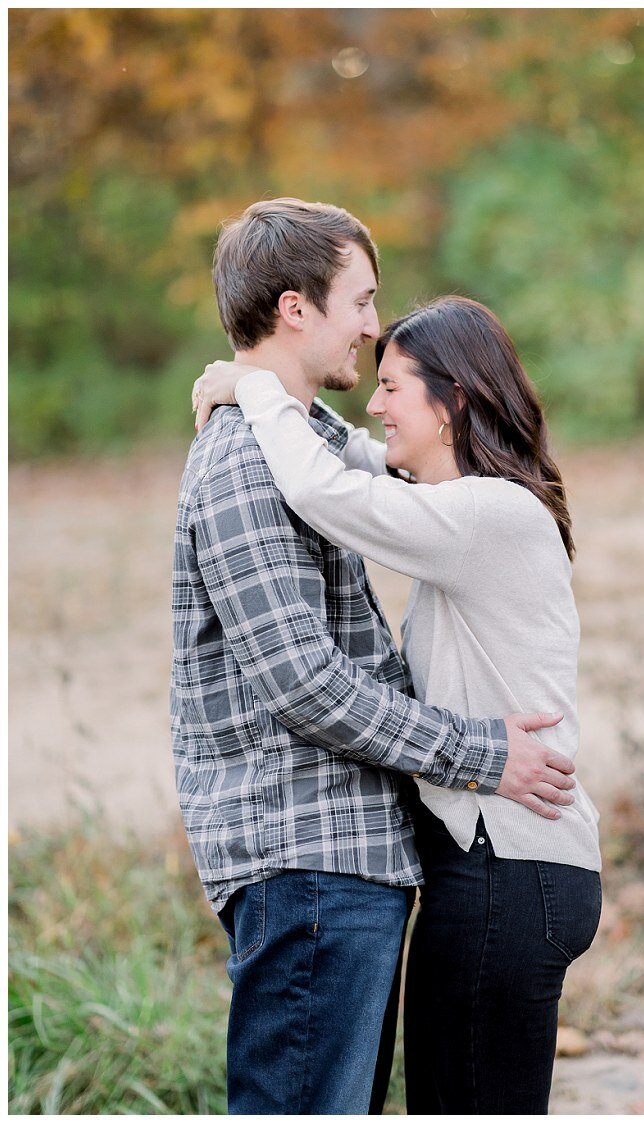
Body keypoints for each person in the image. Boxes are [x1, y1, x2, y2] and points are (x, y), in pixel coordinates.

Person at [173, 198, 577, 1115]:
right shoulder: (246, 459)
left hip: (366, 857)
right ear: (295, 309)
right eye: (360, 299)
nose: (368, 323)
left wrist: (262, 391)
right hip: (306, 849)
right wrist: (482, 752)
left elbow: (346, 471)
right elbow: (302, 680)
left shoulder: (467, 503)